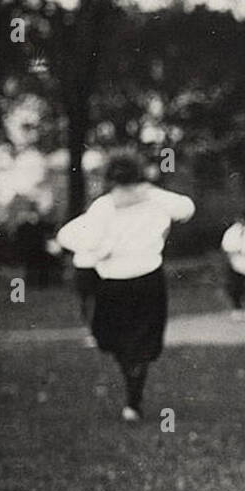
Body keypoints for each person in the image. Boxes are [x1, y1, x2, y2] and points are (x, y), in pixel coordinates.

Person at [56, 150, 194, 422]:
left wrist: (100, 250)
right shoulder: (111, 206)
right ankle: (133, 388)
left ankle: (133, 393)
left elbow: (70, 236)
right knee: (127, 340)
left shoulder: (119, 204)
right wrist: (101, 249)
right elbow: (186, 208)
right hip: (139, 280)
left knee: (123, 340)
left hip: (124, 279)